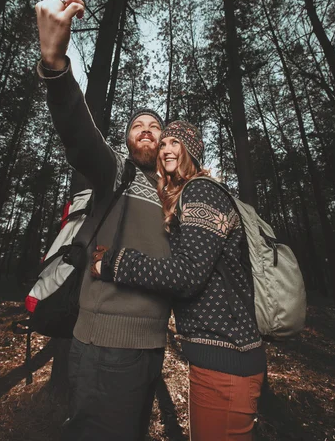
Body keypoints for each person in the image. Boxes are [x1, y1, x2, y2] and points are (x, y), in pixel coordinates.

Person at [35, 0, 172, 441]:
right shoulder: (117, 173)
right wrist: (55, 65)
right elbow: (79, 135)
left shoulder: (176, 192)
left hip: (152, 347)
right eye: (138, 125)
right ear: (129, 140)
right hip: (104, 346)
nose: (147, 130)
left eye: (156, 126)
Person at [92, 120, 266, 441]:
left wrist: (115, 262)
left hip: (228, 359)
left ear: (192, 151)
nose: (167, 150)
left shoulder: (200, 191)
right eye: (164, 144)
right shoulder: (186, 195)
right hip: (219, 358)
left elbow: (187, 275)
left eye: (176, 143)